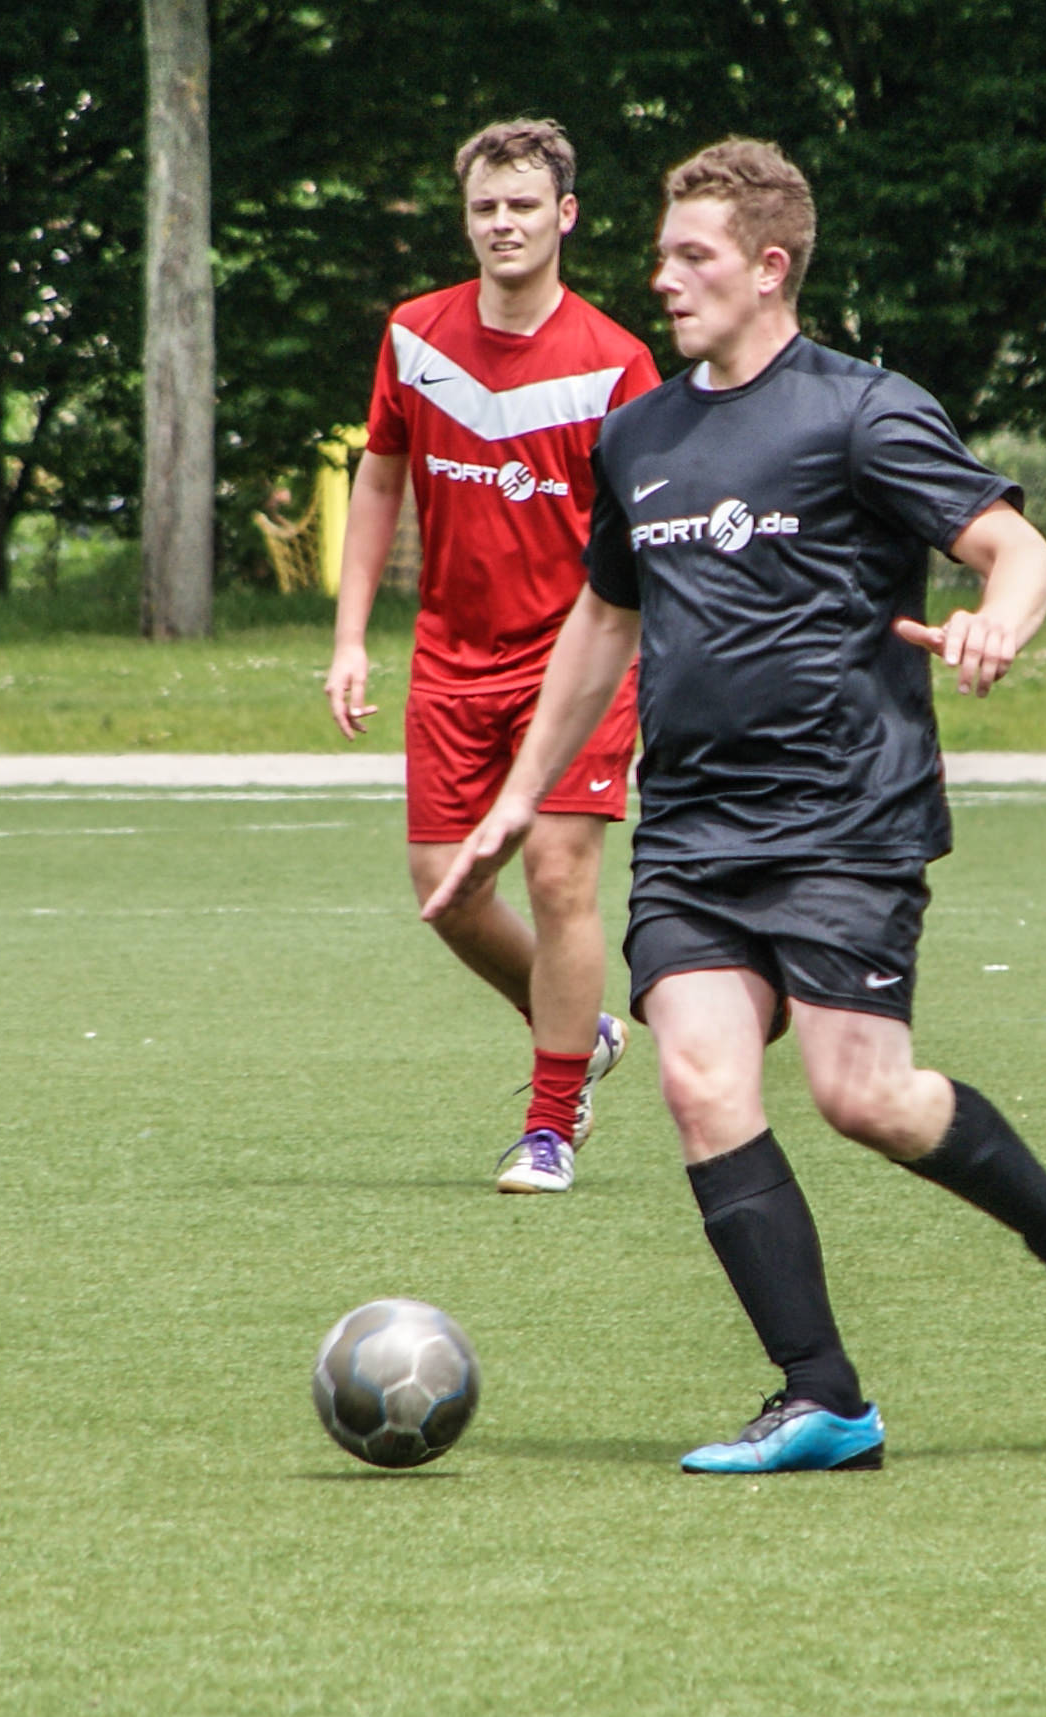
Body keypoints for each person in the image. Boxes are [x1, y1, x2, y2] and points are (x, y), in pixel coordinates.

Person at [423, 138, 1046, 1473]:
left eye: (691, 257)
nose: (663, 278)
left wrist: (998, 618)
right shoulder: (638, 434)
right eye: (660, 253)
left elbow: (1015, 546)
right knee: (699, 1079)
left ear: (767, 268)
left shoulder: (861, 412)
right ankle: (823, 1398)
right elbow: (602, 621)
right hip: (693, 828)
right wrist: (517, 798)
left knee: (860, 1094)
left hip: (845, 818)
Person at [326, 118, 661, 1193]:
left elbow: (654, 535)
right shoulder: (414, 336)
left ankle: (550, 1124)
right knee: (446, 890)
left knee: (559, 873)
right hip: (451, 659)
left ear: (566, 215)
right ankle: (576, 1029)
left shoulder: (619, 362)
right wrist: (350, 638)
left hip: (578, 663)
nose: (502, 223)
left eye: (523, 205)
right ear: (465, 219)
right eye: (485, 206)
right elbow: (381, 477)